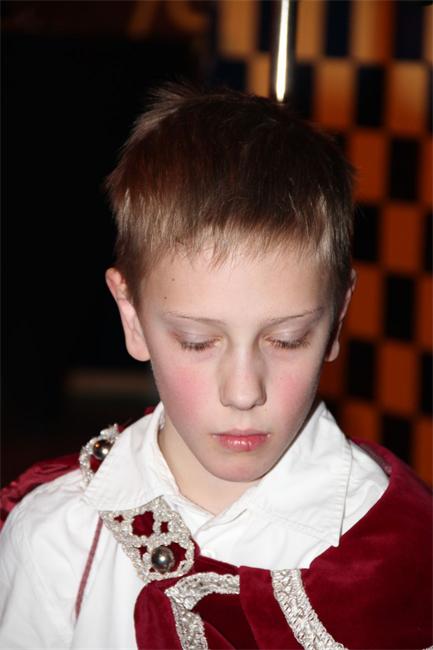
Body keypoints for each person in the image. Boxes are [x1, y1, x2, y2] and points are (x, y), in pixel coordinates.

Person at [0, 85, 431, 650]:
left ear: (337, 319)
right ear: (132, 317)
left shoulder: (401, 543)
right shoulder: (60, 538)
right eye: (198, 342)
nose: (243, 391)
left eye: (287, 340)